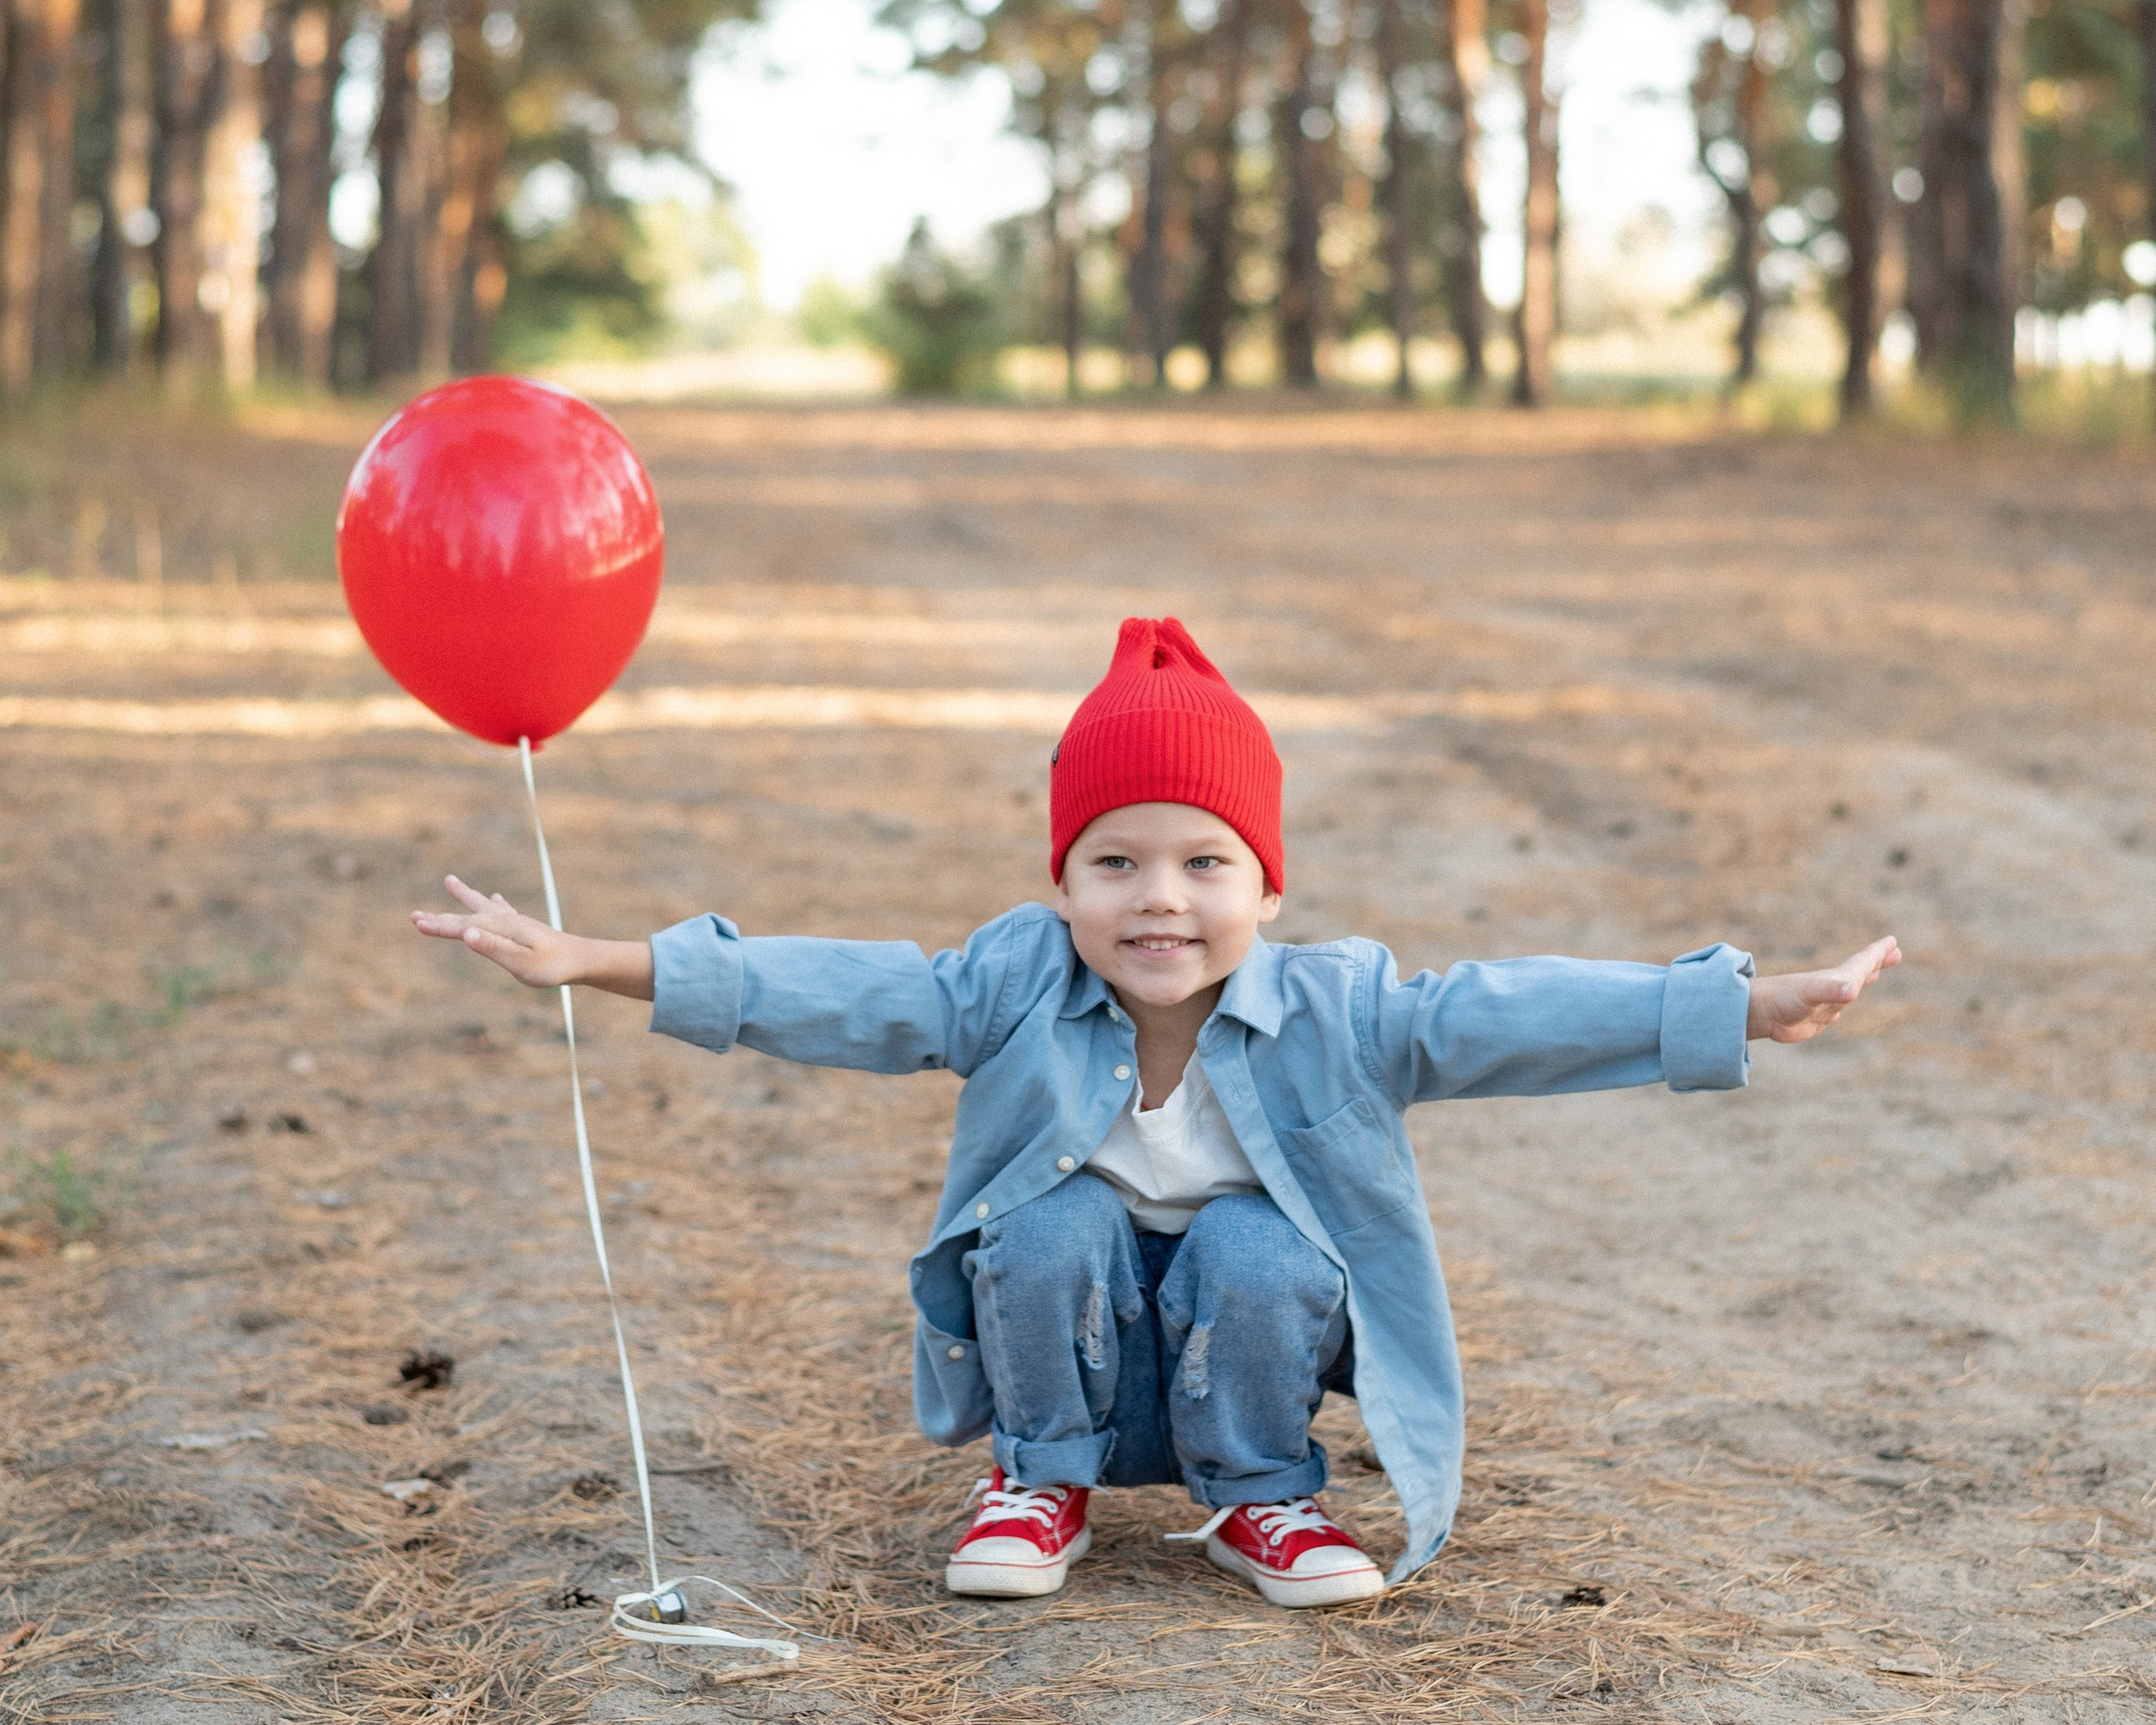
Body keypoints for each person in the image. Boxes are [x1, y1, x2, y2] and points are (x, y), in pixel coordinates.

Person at [413, 617, 1898, 1613]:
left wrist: (1737, 1003)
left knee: (1265, 1248)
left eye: (1204, 862)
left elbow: (1513, 1012)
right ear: (1062, 883)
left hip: (1238, 1343)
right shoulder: (1007, 983)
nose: (1161, 900)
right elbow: (830, 989)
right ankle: (1037, 1485)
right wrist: (592, 958)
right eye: (1115, 862)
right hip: (1063, 1334)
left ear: (1269, 888)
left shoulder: (1343, 1007)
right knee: (1044, 1217)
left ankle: (1263, 1498)